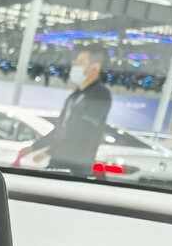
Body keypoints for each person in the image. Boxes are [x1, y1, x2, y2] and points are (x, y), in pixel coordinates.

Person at [18, 44, 112, 179]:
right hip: (59, 161)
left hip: (76, 166)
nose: (75, 66)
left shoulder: (100, 95)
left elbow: (83, 132)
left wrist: (49, 151)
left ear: (95, 67)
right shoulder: (74, 96)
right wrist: (34, 147)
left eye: (81, 63)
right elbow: (61, 129)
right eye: (75, 62)